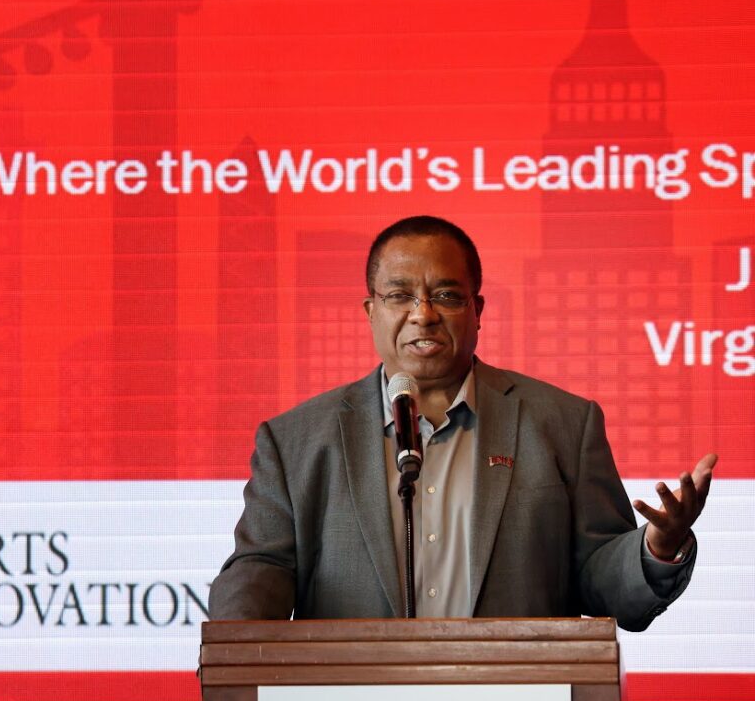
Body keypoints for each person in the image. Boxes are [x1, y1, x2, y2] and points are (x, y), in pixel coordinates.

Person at [208, 215, 715, 632]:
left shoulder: (563, 423)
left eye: (447, 296)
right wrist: (233, 652)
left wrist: (657, 547)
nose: (423, 314)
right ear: (370, 311)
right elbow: (262, 569)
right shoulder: (296, 441)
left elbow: (602, 580)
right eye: (400, 295)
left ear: (478, 311)